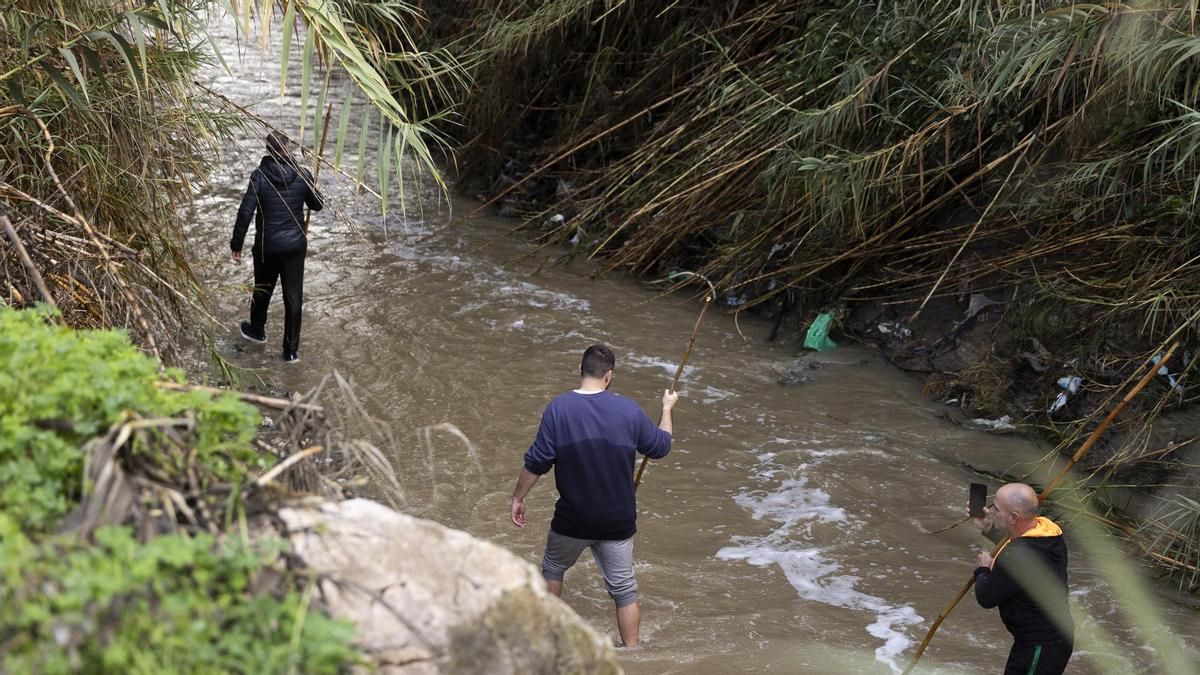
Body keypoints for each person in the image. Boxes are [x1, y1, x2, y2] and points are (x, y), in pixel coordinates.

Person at [510, 344, 678, 647]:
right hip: (617, 520)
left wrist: (518, 498)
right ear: (609, 376)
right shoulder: (629, 410)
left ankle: (547, 641)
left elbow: (537, 462)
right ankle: (633, 652)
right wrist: (667, 409)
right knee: (624, 589)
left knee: (553, 569)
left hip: (573, 519)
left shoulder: (559, 409)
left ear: (580, 370)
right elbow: (661, 446)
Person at [230, 132, 323, 362]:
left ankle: (257, 332)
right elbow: (317, 205)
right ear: (288, 149)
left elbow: (245, 212)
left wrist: (237, 244)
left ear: (268, 151)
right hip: (295, 247)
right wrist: (314, 186)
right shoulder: (303, 174)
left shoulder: (259, 176)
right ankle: (290, 352)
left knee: (262, 290)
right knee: (294, 297)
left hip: (267, 247)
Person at [970, 482, 1074, 674]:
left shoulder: (1018, 556)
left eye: (996, 509)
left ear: (1014, 517)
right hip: (1051, 639)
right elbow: (1018, 546)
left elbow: (986, 597)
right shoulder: (1046, 532)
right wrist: (989, 528)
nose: (990, 511)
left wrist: (982, 569)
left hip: (1041, 644)